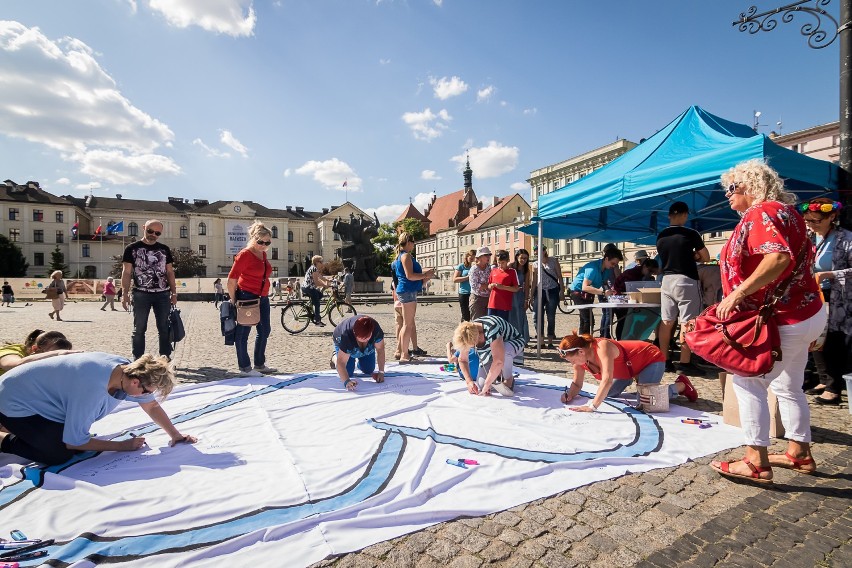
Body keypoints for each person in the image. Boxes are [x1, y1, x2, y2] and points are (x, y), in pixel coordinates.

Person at [709, 159, 826, 483]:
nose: (728, 196)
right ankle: (799, 452)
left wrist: (735, 295)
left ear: (748, 186)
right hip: (804, 312)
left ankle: (755, 461)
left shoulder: (761, 212)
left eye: (731, 188)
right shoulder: (790, 214)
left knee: (749, 383)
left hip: (781, 317)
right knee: (789, 385)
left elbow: (778, 257)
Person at [0, 352, 196, 466]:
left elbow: (151, 405)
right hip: (12, 401)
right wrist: (121, 446)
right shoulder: (92, 388)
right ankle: (4, 438)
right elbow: (74, 441)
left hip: (39, 398)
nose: (146, 395)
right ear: (136, 381)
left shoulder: (125, 372)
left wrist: (175, 435)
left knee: (72, 443)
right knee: (58, 454)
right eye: (146, 390)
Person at [556, 332, 697, 411]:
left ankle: (681, 386)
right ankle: (637, 382)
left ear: (581, 352)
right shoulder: (580, 360)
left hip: (650, 359)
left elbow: (607, 379)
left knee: (645, 403)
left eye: (572, 360)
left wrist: (592, 407)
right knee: (609, 395)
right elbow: (577, 383)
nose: (573, 364)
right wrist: (570, 395)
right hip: (627, 369)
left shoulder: (601, 346)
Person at [800, 198, 850, 406]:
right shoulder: (810, 237)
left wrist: (831, 274)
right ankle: (823, 379)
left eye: (816, 220)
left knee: (832, 342)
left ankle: (833, 388)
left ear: (832, 217)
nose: (811, 224)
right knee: (815, 339)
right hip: (813, 295)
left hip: (838, 298)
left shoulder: (846, 238)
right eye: (808, 220)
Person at [656, 202, 710, 376]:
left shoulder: (661, 235)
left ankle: (665, 360)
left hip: (667, 280)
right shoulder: (691, 234)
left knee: (666, 321)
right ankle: (685, 362)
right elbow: (706, 258)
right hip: (686, 279)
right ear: (685, 214)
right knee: (688, 322)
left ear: (670, 215)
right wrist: (694, 255)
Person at [121, 219, 177, 360]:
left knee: (164, 328)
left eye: (157, 233)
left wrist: (174, 292)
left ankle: (165, 358)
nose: (153, 235)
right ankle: (138, 359)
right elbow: (126, 273)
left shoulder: (164, 249)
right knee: (139, 329)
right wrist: (124, 293)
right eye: (150, 231)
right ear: (144, 228)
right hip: (140, 294)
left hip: (163, 294)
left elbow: (170, 272)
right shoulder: (131, 248)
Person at [228, 221, 275, 377]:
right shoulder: (244, 254)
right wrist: (234, 300)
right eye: (260, 242)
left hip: (263, 297)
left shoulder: (263, 253)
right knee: (243, 333)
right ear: (253, 238)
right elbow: (232, 279)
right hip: (247, 296)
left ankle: (259, 364)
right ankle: (245, 368)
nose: (263, 245)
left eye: (267, 242)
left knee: (264, 330)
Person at [453, 316, 524, 397]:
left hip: (511, 342)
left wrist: (488, 383)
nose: (472, 348)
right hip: (490, 351)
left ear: (479, 336)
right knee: (481, 385)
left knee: (504, 353)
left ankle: (508, 379)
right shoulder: (467, 334)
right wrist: (469, 382)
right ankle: (498, 374)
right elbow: (462, 360)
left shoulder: (492, 327)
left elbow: (498, 361)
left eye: (472, 346)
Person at [392, 232, 434, 363]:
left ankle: (403, 352)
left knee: (407, 324)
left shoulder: (401, 256)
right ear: (409, 242)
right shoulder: (406, 256)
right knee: (407, 324)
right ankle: (404, 354)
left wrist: (425, 277)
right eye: (413, 242)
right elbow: (409, 276)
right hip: (407, 291)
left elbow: (408, 278)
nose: (414, 245)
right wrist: (425, 274)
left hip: (408, 290)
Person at [568, 249, 622, 337]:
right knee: (588, 320)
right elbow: (585, 287)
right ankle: (585, 342)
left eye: (615, 265)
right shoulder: (593, 268)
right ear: (606, 259)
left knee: (585, 318)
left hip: (588, 293)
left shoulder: (607, 269)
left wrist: (610, 291)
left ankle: (582, 341)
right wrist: (604, 292)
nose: (614, 266)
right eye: (613, 263)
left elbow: (603, 283)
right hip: (578, 292)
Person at [330, 316, 386, 391]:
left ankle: (360, 358)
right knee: (348, 372)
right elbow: (341, 362)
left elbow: (380, 350)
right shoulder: (346, 335)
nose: (364, 341)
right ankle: (335, 356)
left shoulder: (376, 330)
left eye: (367, 338)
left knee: (368, 369)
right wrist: (346, 382)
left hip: (366, 348)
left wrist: (381, 372)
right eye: (361, 339)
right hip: (345, 344)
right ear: (354, 333)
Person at [612, 258, 660, 340]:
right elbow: (625, 289)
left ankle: (632, 339)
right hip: (620, 299)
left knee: (631, 321)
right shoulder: (632, 274)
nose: (650, 274)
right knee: (623, 322)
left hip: (631, 301)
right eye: (650, 271)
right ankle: (621, 341)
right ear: (644, 266)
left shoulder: (643, 275)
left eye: (653, 273)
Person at [530, 246, 564, 348]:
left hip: (552, 290)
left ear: (545, 251)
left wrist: (562, 291)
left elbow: (559, 276)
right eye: (536, 252)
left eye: (540, 251)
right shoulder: (535, 264)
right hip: (539, 291)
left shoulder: (553, 261)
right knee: (536, 316)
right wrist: (531, 296)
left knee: (551, 316)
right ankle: (541, 340)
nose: (537, 253)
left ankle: (550, 341)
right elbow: (534, 281)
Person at [1, 329, 73, 376]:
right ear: (35, 349)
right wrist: (56, 353)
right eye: (50, 355)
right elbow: (13, 365)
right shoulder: (11, 350)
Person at [509, 248, 532, 356]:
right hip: (510, 295)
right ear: (517, 257)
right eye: (521, 258)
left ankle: (520, 341)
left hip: (520, 296)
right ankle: (510, 341)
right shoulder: (510, 267)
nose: (523, 260)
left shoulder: (526, 270)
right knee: (510, 318)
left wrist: (527, 299)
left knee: (520, 318)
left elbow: (527, 286)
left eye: (525, 258)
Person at [487, 250, 520, 321]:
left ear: (507, 261)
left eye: (503, 263)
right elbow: (488, 286)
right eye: (499, 263)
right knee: (490, 325)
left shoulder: (512, 272)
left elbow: (516, 289)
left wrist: (503, 287)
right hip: (492, 304)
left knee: (502, 326)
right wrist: (491, 286)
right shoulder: (494, 270)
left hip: (504, 305)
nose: (500, 265)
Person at [302, 255, 333, 327]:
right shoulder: (314, 269)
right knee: (317, 303)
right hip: (308, 288)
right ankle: (317, 321)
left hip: (308, 287)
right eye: (321, 262)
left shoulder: (314, 269)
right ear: (317, 262)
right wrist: (325, 285)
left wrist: (328, 280)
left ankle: (311, 308)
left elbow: (320, 277)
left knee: (320, 295)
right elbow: (316, 282)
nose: (322, 263)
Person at [467, 247, 492, 321]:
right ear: (480, 257)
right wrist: (488, 286)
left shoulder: (489, 268)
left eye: (489, 255)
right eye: (486, 255)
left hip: (489, 299)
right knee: (477, 324)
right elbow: (475, 286)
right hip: (477, 299)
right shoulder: (474, 269)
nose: (488, 257)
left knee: (488, 324)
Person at [453, 249, 476, 322]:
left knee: (473, 315)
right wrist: (467, 277)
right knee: (465, 315)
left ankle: (472, 331)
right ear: (467, 257)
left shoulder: (476, 267)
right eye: (470, 257)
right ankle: (462, 331)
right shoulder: (461, 266)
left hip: (474, 293)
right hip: (464, 293)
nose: (472, 259)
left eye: (474, 257)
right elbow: (455, 279)